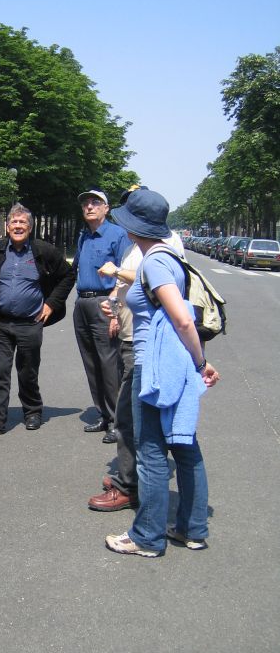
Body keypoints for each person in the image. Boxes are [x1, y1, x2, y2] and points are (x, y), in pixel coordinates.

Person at [102, 188, 220, 557]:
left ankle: (147, 537)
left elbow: (183, 319)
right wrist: (196, 362)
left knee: (150, 452)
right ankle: (192, 529)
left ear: (135, 226)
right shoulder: (170, 256)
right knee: (184, 447)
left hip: (153, 366)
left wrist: (201, 363)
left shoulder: (154, 261)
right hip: (174, 361)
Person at [87, 186, 186, 512]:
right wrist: (115, 305)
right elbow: (131, 284)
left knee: (132, 419)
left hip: (147, 347)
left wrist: (199, 361)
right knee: (133, 417)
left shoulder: (160, 248)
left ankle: (130, 487)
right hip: (133, 336)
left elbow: (167, 301)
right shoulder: (139, 244)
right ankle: (131, 476)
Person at [0, 203, 75, 436]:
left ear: (30, 227)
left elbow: (68, 276)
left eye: (23, 223)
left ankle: (32, 412)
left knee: (27, 371)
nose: (18, 226)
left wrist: (51, 303)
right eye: (14, 222)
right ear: (7, 226)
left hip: (30, 322)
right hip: (1, 323)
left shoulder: (43, 251)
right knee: (1, 372)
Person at [73, 189, 131, 443]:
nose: (89, 206)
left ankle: (118, 421)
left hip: (104, 302)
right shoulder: (83, 235)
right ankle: (103, 415)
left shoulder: (117, 235)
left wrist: (116, 309)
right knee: (91, 363)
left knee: (109, 364)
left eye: (95, 202)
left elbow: (124, 273)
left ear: (106, 208)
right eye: (86, 203)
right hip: (82, 302)